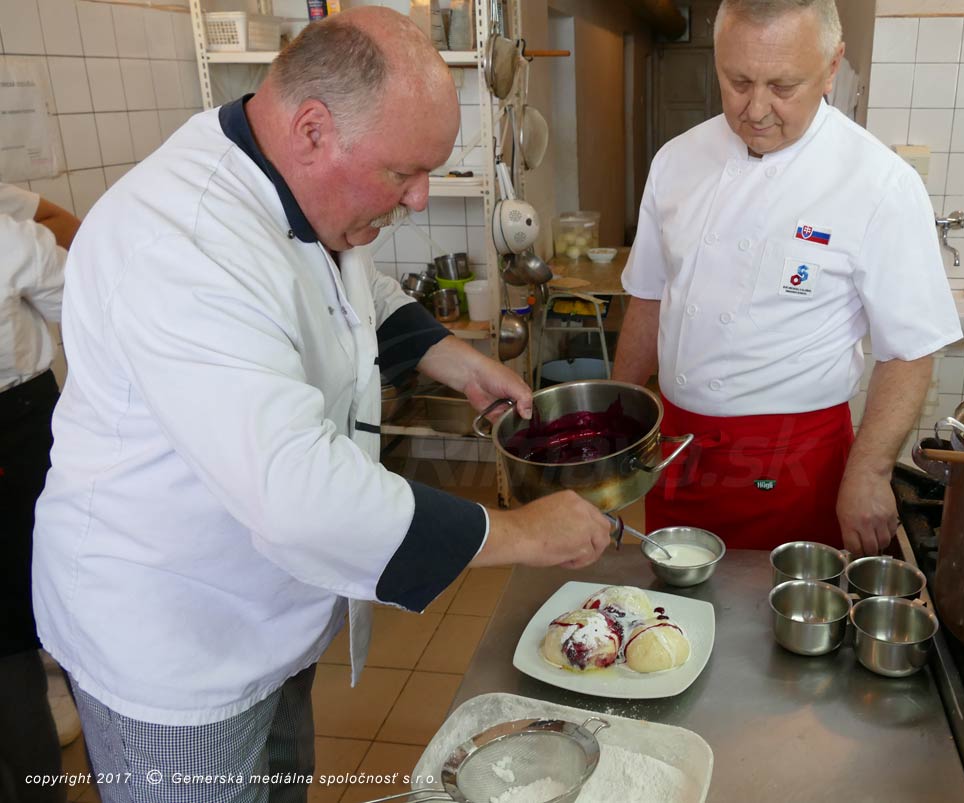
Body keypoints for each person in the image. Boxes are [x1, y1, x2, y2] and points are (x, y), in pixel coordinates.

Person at [31, 9, 610, 803]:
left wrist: (455, 359)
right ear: (312, 129)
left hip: (268, 612)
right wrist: (521, 533)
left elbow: (352, 292)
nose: (418, 198)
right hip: (173, 643)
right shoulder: (179, 244)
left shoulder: (287, 181)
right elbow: (301, 497)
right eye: (404, 172)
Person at [613, 0, 961, 556]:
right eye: (738, 82)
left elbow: (910, 350)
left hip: (796, 462)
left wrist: (869, 472)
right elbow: (649, 299)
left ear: (831, 67)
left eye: (782, 86)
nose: (755, 110)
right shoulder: (676, 161)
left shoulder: (879, 183)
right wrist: (618, 421)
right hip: (678, 450)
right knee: (672, 599)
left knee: (779, 608)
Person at [0, 182, 80, 802]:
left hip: (22, 427)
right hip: (18, 428)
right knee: (69, 603)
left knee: (8, 643)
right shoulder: (5, 238)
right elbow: (84, 299)